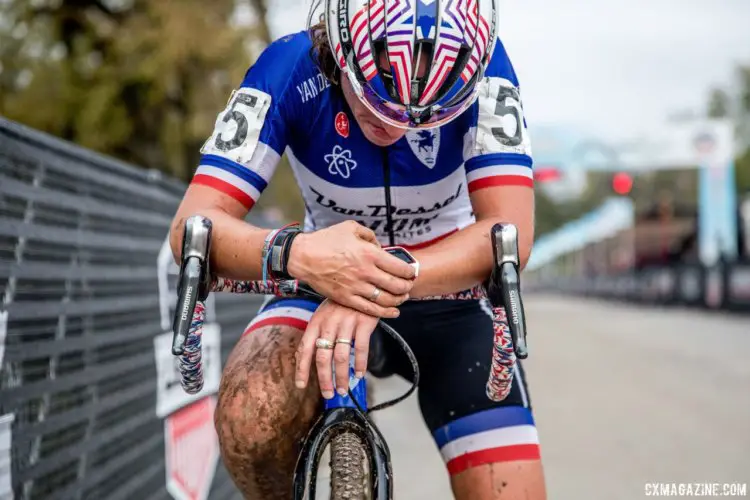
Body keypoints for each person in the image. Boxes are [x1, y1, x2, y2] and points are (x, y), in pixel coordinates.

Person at [169, 0, 545, 498]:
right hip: (318, 281)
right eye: (375, 95)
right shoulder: (288, 66)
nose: (394, 125)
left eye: (424, 118)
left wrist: (370, 281)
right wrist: (299, 255)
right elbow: (191, 229)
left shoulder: (486, 65)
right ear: (338, 50)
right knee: (249, 415)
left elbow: (510, 236)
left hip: (446, 289)